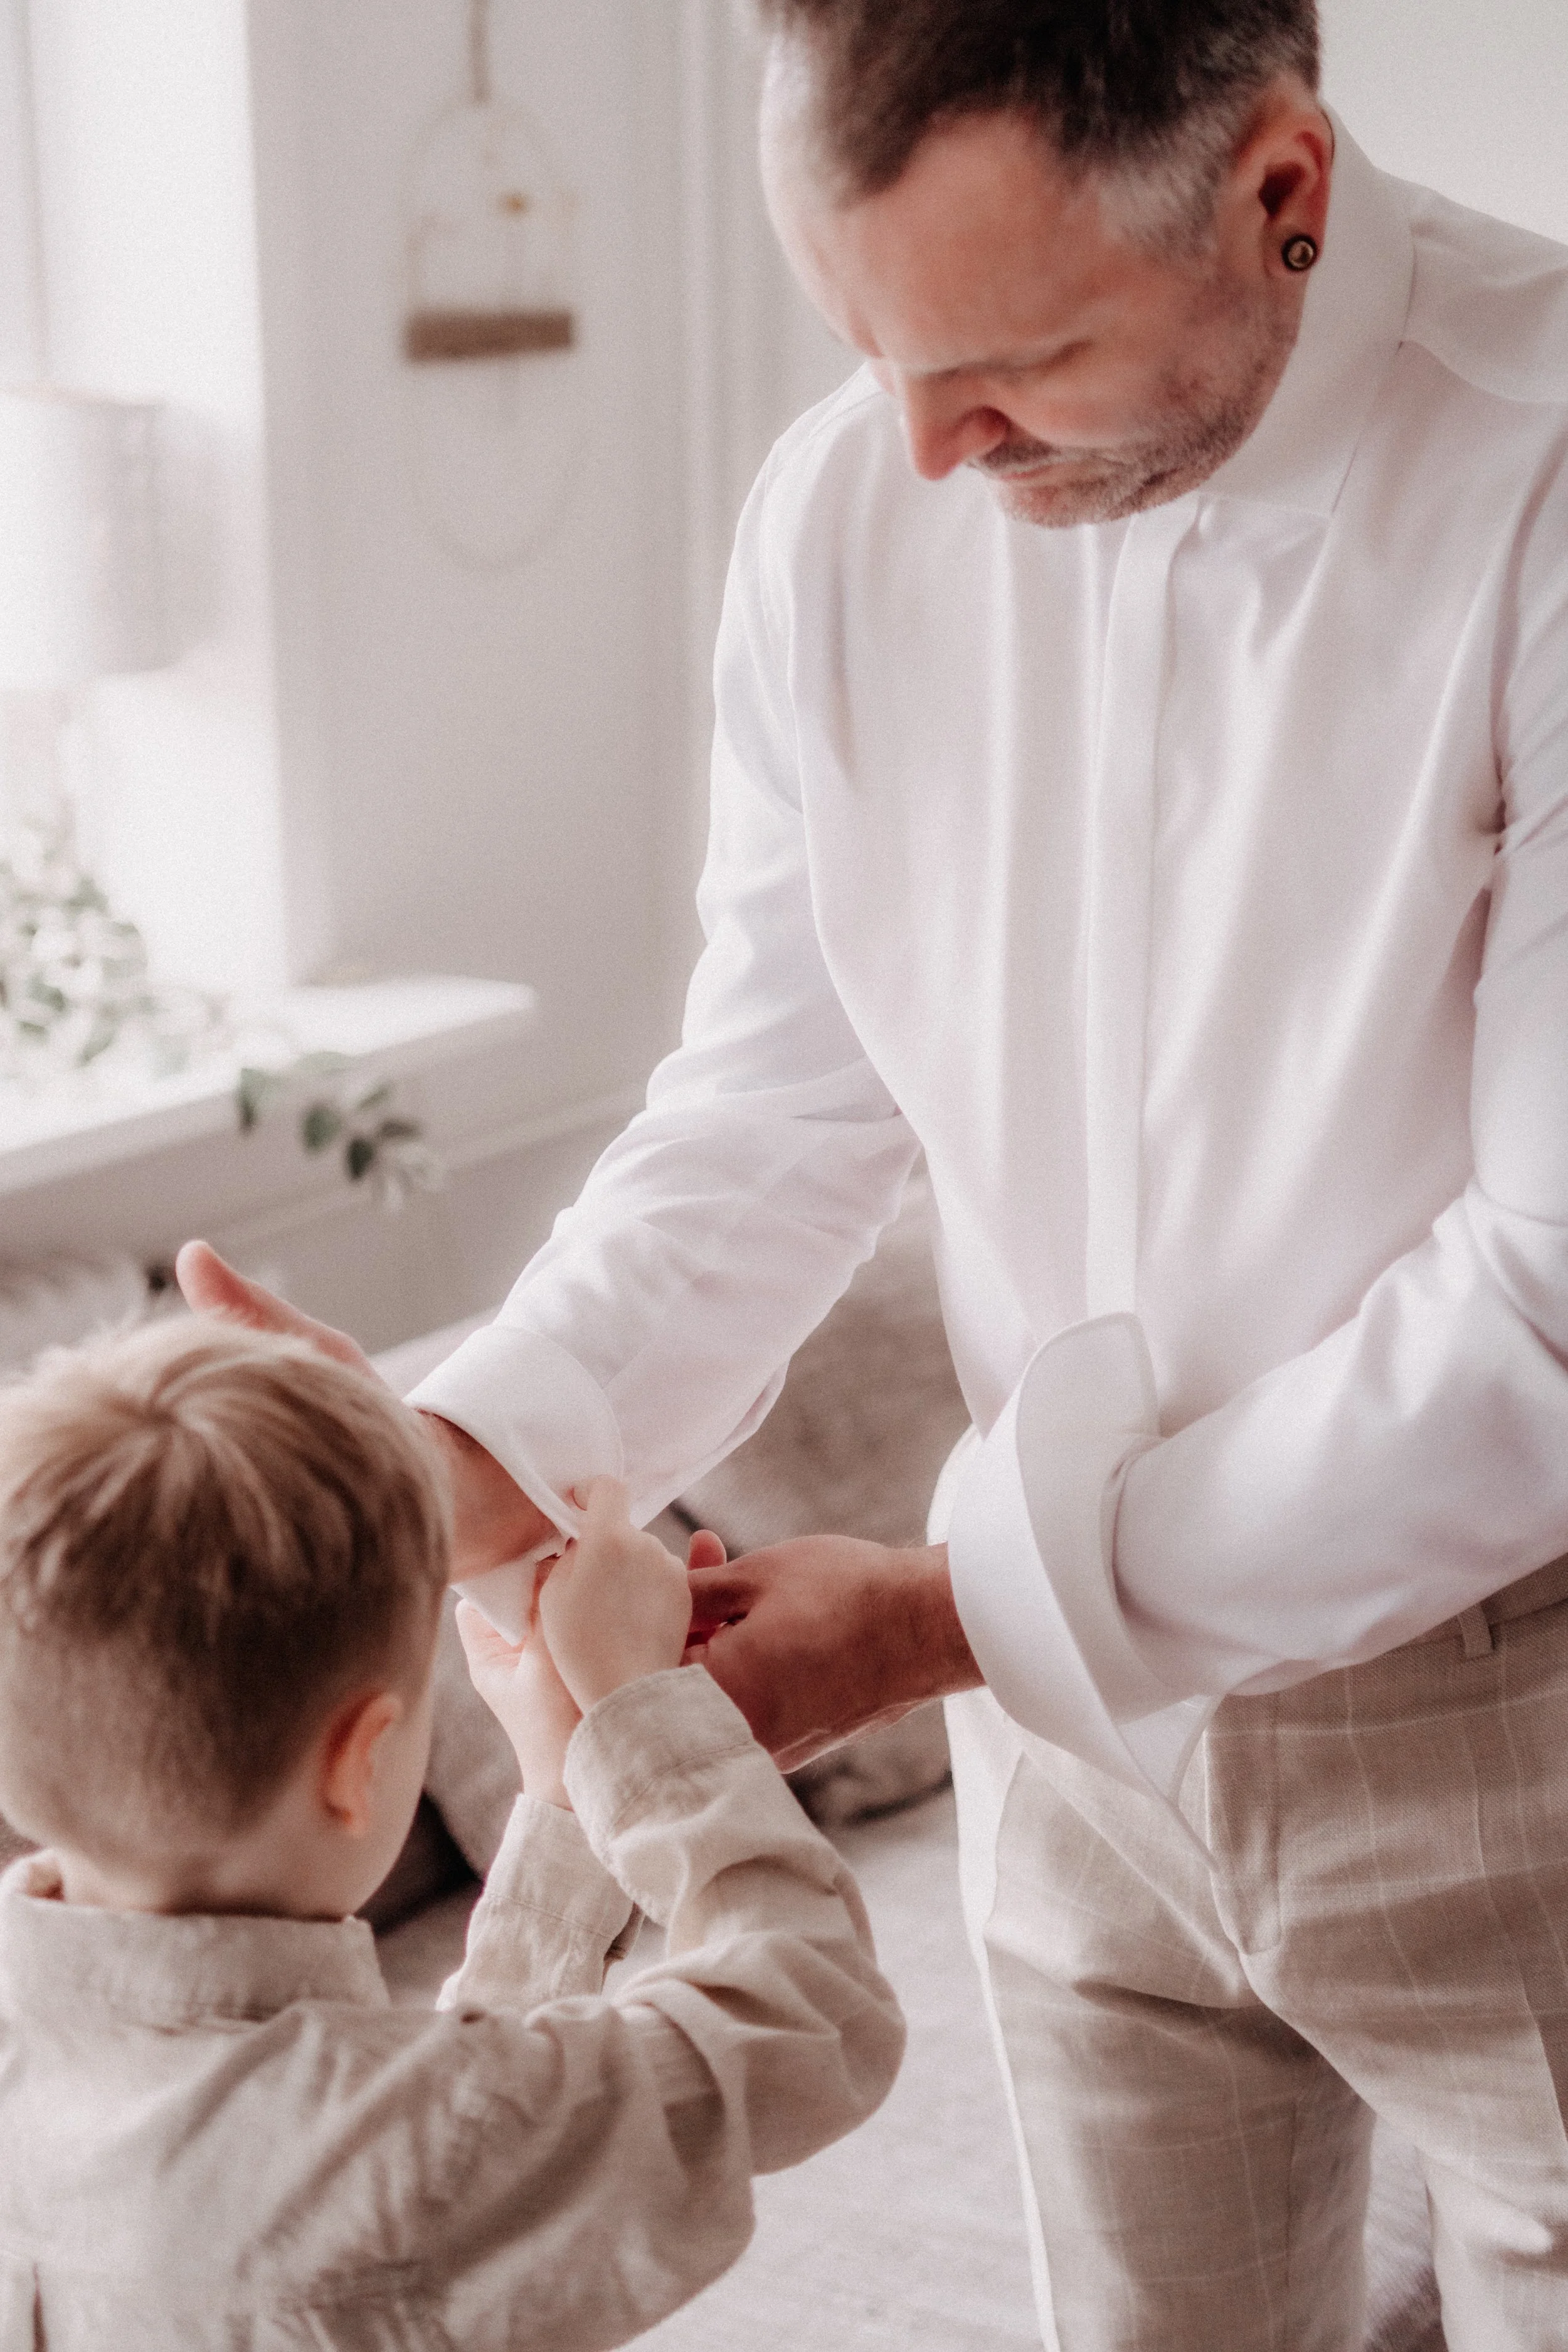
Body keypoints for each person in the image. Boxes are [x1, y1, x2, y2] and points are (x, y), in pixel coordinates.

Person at [180, 0, 1568, 2340]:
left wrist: (944, 1620)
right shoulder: (849, 506)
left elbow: (1549, 1309)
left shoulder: (1543, 481)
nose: (920, 453)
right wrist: (449, 1455)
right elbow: (774, 1101)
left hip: (1502, 1723)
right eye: (866, 343)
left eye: (1012, 358)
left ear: (1283, 193)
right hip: (1067, 1780)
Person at [0, 1319, 903, 2346]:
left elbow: (461, 2121)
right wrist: (641, 1714)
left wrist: (564, 1807)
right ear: (360, 1761)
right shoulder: (391, 2150)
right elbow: (814, 2019)